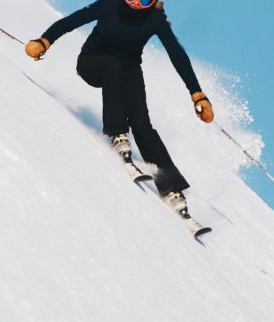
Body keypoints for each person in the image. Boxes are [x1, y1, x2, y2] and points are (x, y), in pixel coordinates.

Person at [25, 0, 214, 215]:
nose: (135, 2)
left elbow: (176, 54)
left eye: (144, 0)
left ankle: (171, 188)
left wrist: (197, 94)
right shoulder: (110, 4)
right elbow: (72, 21)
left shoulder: (155, 19)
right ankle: (118, 132)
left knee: (142, 123)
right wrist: (44, 41)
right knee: (112, 66)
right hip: (92, 62)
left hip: (128, 68)